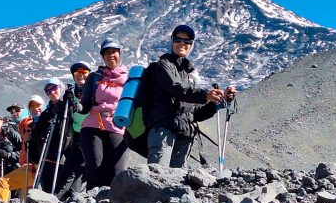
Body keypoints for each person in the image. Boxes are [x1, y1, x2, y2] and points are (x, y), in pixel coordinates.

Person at [144, 25, 236, 168]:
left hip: (185, 134)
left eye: (187, 41)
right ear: (172, 41)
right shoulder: (162, 66)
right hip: (163, 130)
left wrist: (218, 100)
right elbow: (176, 88)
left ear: (191, 45)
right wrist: (205, 95)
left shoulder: (189, 74)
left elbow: (196, 113)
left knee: (176, 183)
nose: (182, 43)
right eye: (178, 39)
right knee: (157, 176)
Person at [79, 38, 129, 190]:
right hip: (93, 125)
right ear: (103, 56)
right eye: (107, 52)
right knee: (95, 171)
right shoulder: (94, 77)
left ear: (120, 53)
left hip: (118, 127)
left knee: (117, 172)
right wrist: (76, 105)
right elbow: (85, 106)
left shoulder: (130, 78)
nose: (111, 55)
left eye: (114, 51)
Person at [29, 78, 76, 193]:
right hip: (47, 158)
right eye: (48, 91)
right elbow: (37, 137)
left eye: (54, 88)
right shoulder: (46, 113)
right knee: (48, 191)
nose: (52, 93)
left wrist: (71, 102)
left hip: (63, 157)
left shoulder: (68, 106)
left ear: (61, 88)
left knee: (65, 191)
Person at [55, 62, 91, 199]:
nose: (80, 75)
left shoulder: (94, 90)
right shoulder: (71, 94)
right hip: (77, 135)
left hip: (94, 132)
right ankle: (65, 197)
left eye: (84, 72)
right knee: (71, 167)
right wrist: (64, 104)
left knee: (87, 166)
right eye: (77, 73)